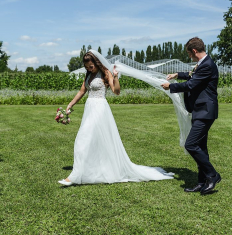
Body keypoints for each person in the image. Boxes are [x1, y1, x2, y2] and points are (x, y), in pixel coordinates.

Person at [58, 50, 174, 186]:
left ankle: (74, 177)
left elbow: (116, 92)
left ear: (96, 63)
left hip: (100, 109)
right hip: (89, 109)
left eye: (91, 66)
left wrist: (116, 77)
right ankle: (90, 170)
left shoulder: (106, 73)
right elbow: (82, 91)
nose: (89, 69)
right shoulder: (88, 75)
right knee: (92, 141)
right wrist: (70, 105)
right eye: (87, 67)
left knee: (82, 140)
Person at [161, 37, 221, 195]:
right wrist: (177, 75)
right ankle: (202, 182)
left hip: (205, 111)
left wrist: (170, 87)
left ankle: (212, 175)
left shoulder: (207, 65)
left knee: (191, 145)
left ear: (194, 51)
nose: (189, 57)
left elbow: (191, 84)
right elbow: (191, 75)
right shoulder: (203, 64)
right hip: (200, 110)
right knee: (201, 147)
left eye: (189, 54)